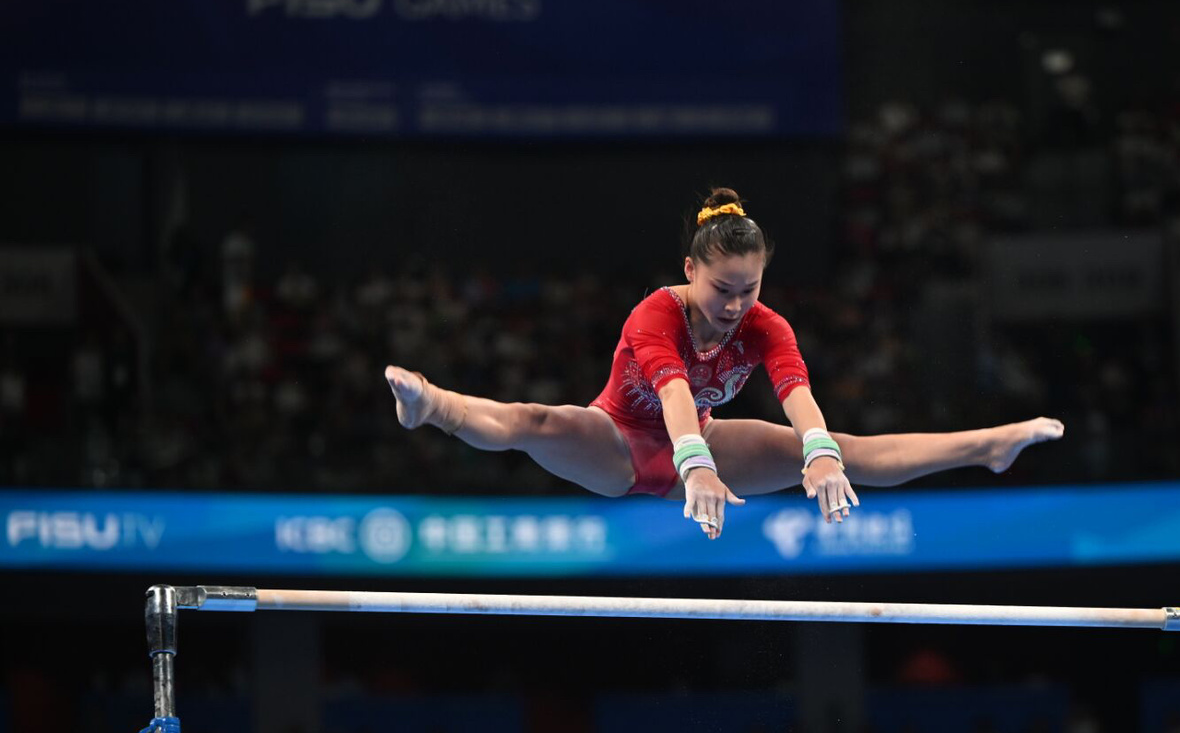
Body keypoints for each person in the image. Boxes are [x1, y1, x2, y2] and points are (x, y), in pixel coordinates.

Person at [384, 188, 1064, 538]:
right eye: (722, 289)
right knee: (535, 419)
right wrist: (694, 465)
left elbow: (797, 392)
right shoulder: (656, 313)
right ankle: (432, 405)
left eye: (751, 288)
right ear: (689, 270)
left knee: (846, 450)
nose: (737, 304)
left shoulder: (767, 325)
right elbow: (673, 390)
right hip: (620, 444)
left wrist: (819, 451)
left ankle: (988, 447)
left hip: (704, 444)